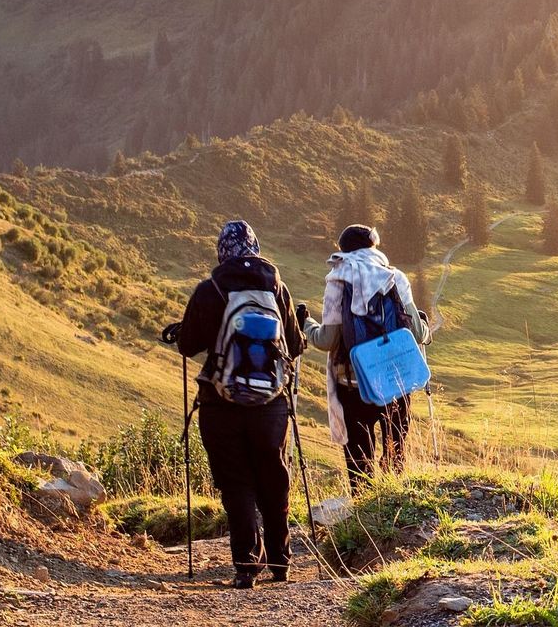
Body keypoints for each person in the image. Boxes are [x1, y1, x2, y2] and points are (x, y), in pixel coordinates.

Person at [177, 220, 304, 589]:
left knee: (236, 481)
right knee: (274, 477)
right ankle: (281, 562)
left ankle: (246, 565)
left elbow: (188, 345)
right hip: (271, 404)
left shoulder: (210, 288)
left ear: (222, 251)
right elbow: (294, 347)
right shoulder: (277, 287)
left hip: (221, 403)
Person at [300, 224, 430, 492]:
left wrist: (306, 324)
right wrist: (426, 328)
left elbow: (327, 340)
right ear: (374, 247)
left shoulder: (337, 280)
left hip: (353, 383)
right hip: (396, 382)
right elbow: (416, 333)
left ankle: (364, 516)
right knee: (395, 455)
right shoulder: (395, 277)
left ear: (343, 251)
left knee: (360, 462)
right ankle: (395, 516)